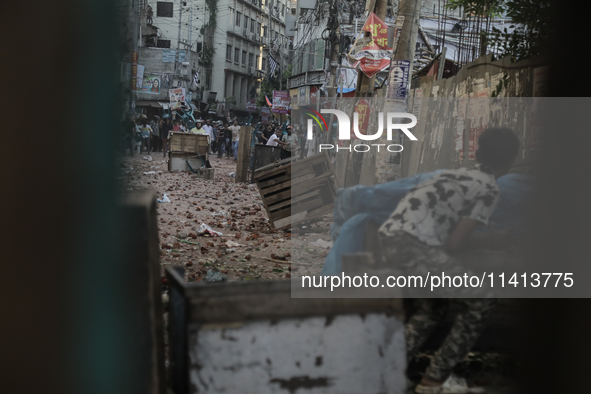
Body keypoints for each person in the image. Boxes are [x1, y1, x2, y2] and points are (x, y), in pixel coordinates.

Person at [377, 128, 519, 394]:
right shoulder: (489, 188)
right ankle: (434, 380)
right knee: (481, 299)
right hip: (415, 246)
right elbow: (456, 242)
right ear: (511, 161)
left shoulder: (454, 174)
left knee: (434, 307)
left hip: (390, 239)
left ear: (477, 153)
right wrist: (493, 240)